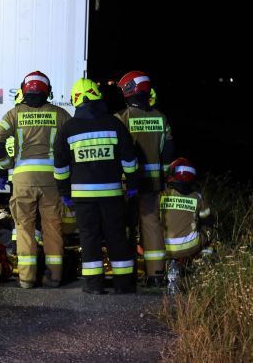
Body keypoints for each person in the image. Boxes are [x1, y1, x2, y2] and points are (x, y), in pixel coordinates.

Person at [53, 78, 139, 294]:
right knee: (116, 236)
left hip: (82, 196)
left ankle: (93, 285)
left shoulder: (68, 129)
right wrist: (132, 184)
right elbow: (129, 159)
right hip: (112, 194)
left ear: (75, 100)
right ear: (97, 97)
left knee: (89, 237)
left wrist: (64, 192)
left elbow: (60, 167)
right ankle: (123, 284)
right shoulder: (114, 123)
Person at [0, 71, 71, 289]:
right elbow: (71, 141)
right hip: (52, 180)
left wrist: (5, 164)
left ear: (24, 90)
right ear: (48, 91)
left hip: (23, 180)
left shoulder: (14, 115)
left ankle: (26, 279)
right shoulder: (60, 114)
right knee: (52, 227)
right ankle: (54, 277)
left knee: (24, 228)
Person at [116, 71, 175, 286]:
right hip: (153, 183)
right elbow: (168, 152)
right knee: (151, 225)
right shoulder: (161, 118)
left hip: (128, 183)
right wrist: (164, 173)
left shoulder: (122, 118)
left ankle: (127, 274)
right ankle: (156, 275)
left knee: (127, 226)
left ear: (130, 91)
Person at [160, 158, 211, 260]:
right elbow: (207, 219)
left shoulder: (161, 195)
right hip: (189, 247)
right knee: (209, 227)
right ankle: (205, 253)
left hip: (161, 248)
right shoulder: (197, 197)